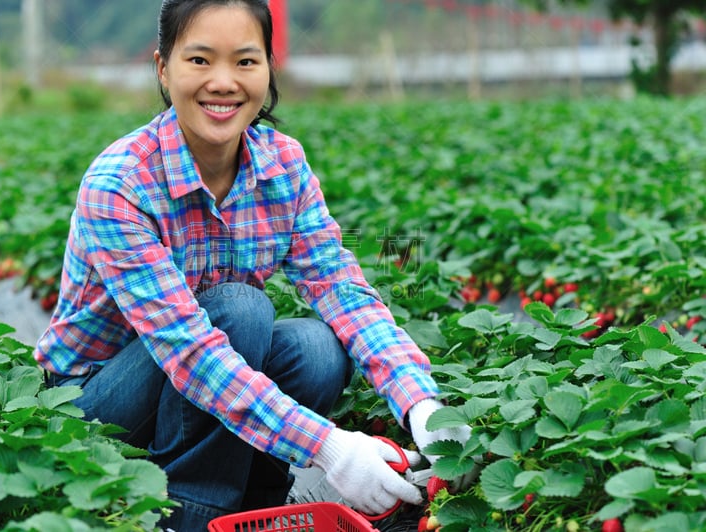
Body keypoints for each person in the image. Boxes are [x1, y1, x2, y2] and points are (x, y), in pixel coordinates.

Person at [34, 0, 472, 529]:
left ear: (268, 67)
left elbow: (341, 288)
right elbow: (192, 352)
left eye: (245, 61)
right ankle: (189, 511)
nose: (223, 82)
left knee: (318, 350)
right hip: (94, 403)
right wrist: (329, 447)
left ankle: (258, 496)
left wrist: (420, 403)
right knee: (238, 310)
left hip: (202, 379)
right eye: (199, 60)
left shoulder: (282, 163)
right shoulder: (121, 185)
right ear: (162, 68)